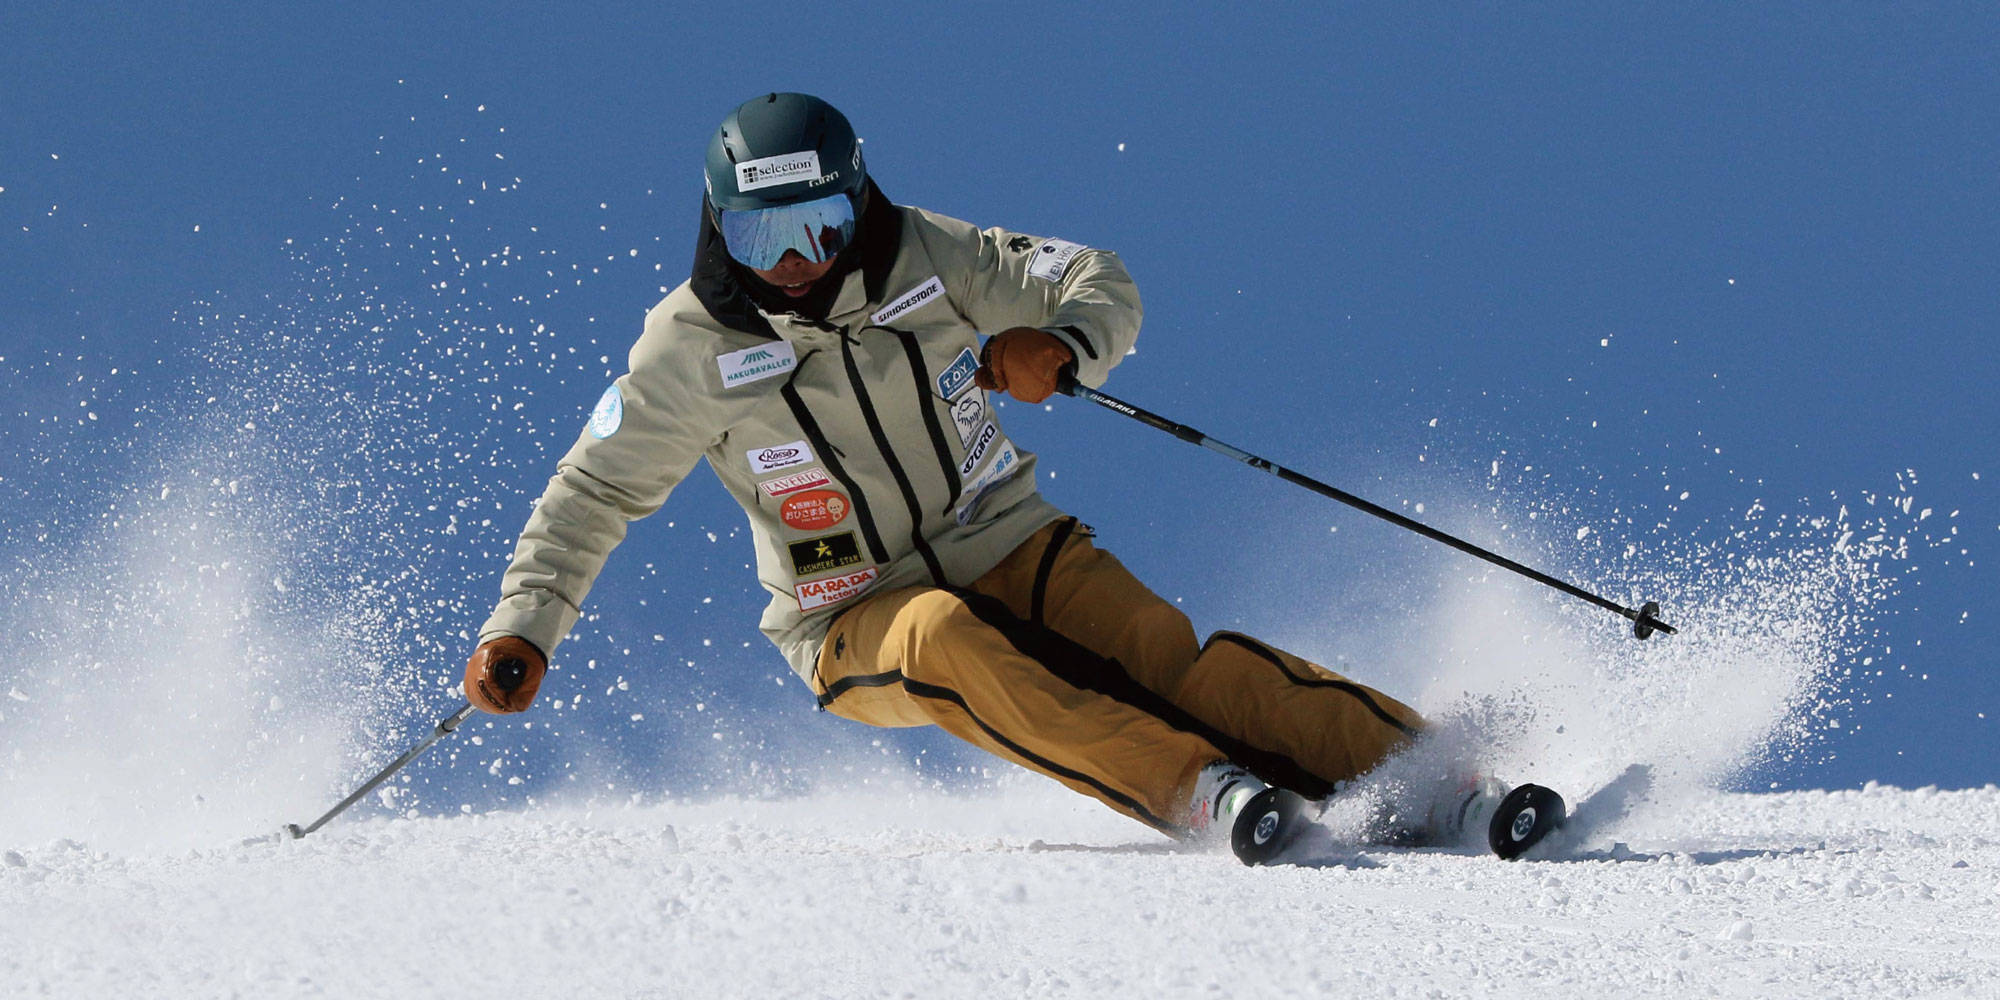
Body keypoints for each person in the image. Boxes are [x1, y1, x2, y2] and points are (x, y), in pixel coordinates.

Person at [462, 93, 1484, 864]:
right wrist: (524, 625)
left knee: (1161, 656)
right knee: (948, 645)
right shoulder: (687, 346)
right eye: (756, 237)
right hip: (847, 612)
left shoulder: (924, 255)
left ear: (852, 200)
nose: (790, 265)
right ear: (716, 226)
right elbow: (592, 491)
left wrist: (1063, 342)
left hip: (1007, 536)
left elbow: (1095, 279)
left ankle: (1437, 777)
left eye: (812, 227)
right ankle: (1200, 792)